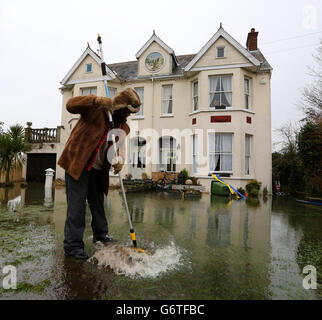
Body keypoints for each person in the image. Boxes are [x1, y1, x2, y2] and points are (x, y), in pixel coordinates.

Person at [58, 88, 141, 260]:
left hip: (97, 170)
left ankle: (101, 236)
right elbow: (70, 105)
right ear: (119, 105)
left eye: (130, 113)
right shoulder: (96, 111)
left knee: (98, 205)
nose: (128, 115)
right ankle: (72, 247)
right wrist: (95, 101)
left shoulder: (123, 127)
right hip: (78, 164)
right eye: (126, 111)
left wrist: (121, 160)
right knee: (77, 208)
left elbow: (121, 148)